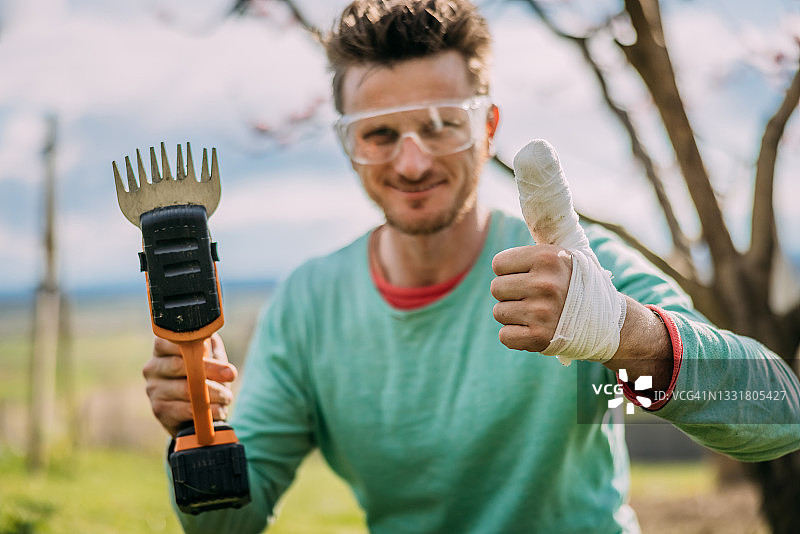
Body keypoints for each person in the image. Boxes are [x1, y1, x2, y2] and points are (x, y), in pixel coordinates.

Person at [142, 1, 800, 532]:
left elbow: (778, 416)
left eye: (440, 125)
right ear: (348, 144)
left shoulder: (575, 270)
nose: (412, 163)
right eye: (378, 134)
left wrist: (625, 335)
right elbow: (228, 526)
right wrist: (194, 431)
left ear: (487, 130)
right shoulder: (311, 306)